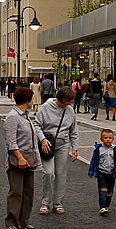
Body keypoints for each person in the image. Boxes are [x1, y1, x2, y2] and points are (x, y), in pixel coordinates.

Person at [34, 86, 79, 215]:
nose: (70, 104)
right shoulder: (45, 108)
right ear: (61, 99)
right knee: (48, 173)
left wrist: (74, 148)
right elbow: (36, 124)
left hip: (63, 144)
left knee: (60, 173)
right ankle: (45, 202)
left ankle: (58, 202)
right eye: (68, 101)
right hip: (47, 144)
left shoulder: (69, 111)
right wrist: (42, 139)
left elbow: (73, 130)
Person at [4, 86, 39, 229]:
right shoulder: (13, 116)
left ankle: (24, 220)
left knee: (28, 191)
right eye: (32, 98)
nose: (33, 101)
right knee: (16, 191)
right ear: (27, 100)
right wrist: (20, 158)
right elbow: (11, 141)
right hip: (18, 159)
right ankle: (11, 222)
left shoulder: (25, 115)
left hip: (29, 158)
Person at [88, 129, 116, 216]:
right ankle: (103, 206)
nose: (107, 140)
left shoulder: (115, 150)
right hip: (102, 172)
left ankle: (107, 204)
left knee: (110, 191)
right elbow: (94, 160)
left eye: (109, 138)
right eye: (105, 138)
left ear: (113, 139)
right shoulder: (99, 149)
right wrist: (91, 171)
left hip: (111, 173)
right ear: (101, 139)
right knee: (102, 190)